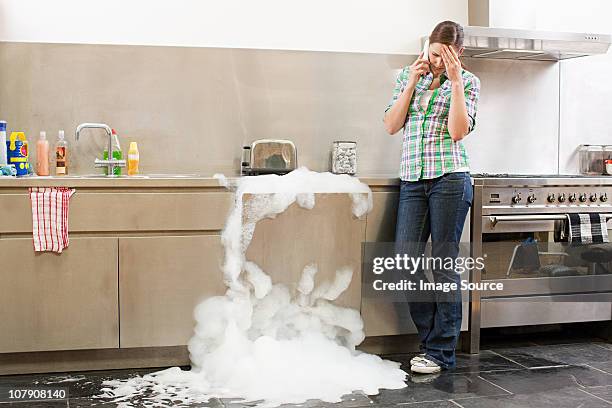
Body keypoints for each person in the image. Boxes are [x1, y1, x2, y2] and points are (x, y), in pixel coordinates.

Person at [383, 21, 480, 374]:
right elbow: (392, 125)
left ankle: (441, 352)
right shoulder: (411, 78)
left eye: (446, 56)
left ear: (459, 54)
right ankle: (430, 341)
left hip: (450, 179)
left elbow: (457, 132)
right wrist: (411, 81)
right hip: (412, 180)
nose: (438, 62)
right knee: (403, 264)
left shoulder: (468, 82)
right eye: (434, 53)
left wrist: (454, 80)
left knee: (443, 265)